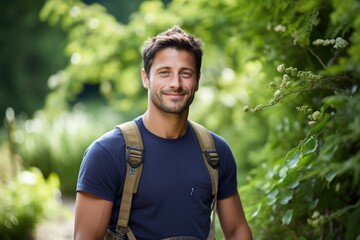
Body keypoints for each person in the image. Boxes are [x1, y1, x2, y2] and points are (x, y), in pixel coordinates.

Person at [74, 26, 252, 240]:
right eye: (164, 72)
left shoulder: (215, 151)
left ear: (197, 81)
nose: (175, 84)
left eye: (185, 73)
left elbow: (237, 232)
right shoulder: (108, 153)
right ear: (145, 78)